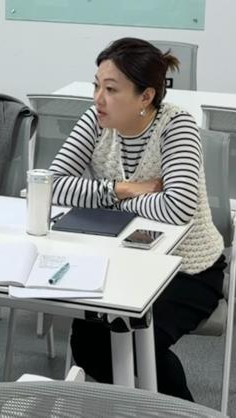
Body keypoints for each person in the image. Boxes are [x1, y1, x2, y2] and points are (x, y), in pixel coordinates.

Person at [49, 37, 224, 401]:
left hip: (186, 269)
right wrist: (124, 189)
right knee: (88, 343)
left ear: (146, 96)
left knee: (132, 341)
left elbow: (178, 209)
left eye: (111, 89)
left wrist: (110, 201)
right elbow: (52, 186)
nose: (98, 98)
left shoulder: (176, 126)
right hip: (120, 262)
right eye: (96, 85)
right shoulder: (96, 121)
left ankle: (176, 410)